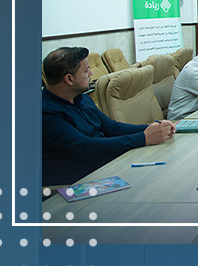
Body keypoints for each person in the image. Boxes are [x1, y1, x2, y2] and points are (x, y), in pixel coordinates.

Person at [42, 47, 174, 186]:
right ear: (69, 79)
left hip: (103, 168)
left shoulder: (82, 99)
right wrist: (144, 137)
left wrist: (154, 129)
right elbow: (86, 147)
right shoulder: (45, 113)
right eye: (86, 70)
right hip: (75, 184)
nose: (91, 73)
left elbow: (112, 128)